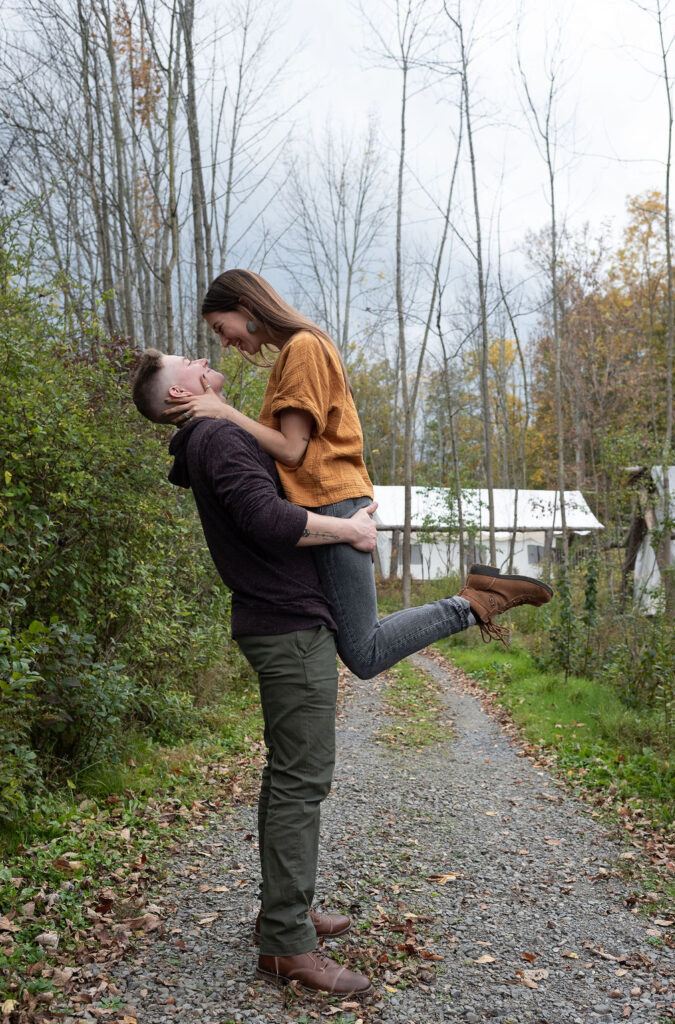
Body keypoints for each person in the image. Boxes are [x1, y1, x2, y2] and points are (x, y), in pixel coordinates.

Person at [131, 350, 375, 997]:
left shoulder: (211, 437)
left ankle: (283, 913)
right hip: (287, 626)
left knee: (286, 778)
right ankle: (287, 946)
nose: (206, 357)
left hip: (277, 622)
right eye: (191, 359)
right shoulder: (216, 437)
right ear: (182, 390)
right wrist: (348, 530)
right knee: (302, 783)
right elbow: (271, 521)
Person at [166, 268, 553, 672]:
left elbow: (292, 450)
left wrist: (225, 413)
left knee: (364, 653)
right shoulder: (297, 351)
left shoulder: (303, 348)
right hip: (326, 501)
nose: (225, 341)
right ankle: (474, 598)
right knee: (358, 643)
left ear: (244, 305)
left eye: (220, 327)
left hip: (334, 503)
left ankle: (475, 601)